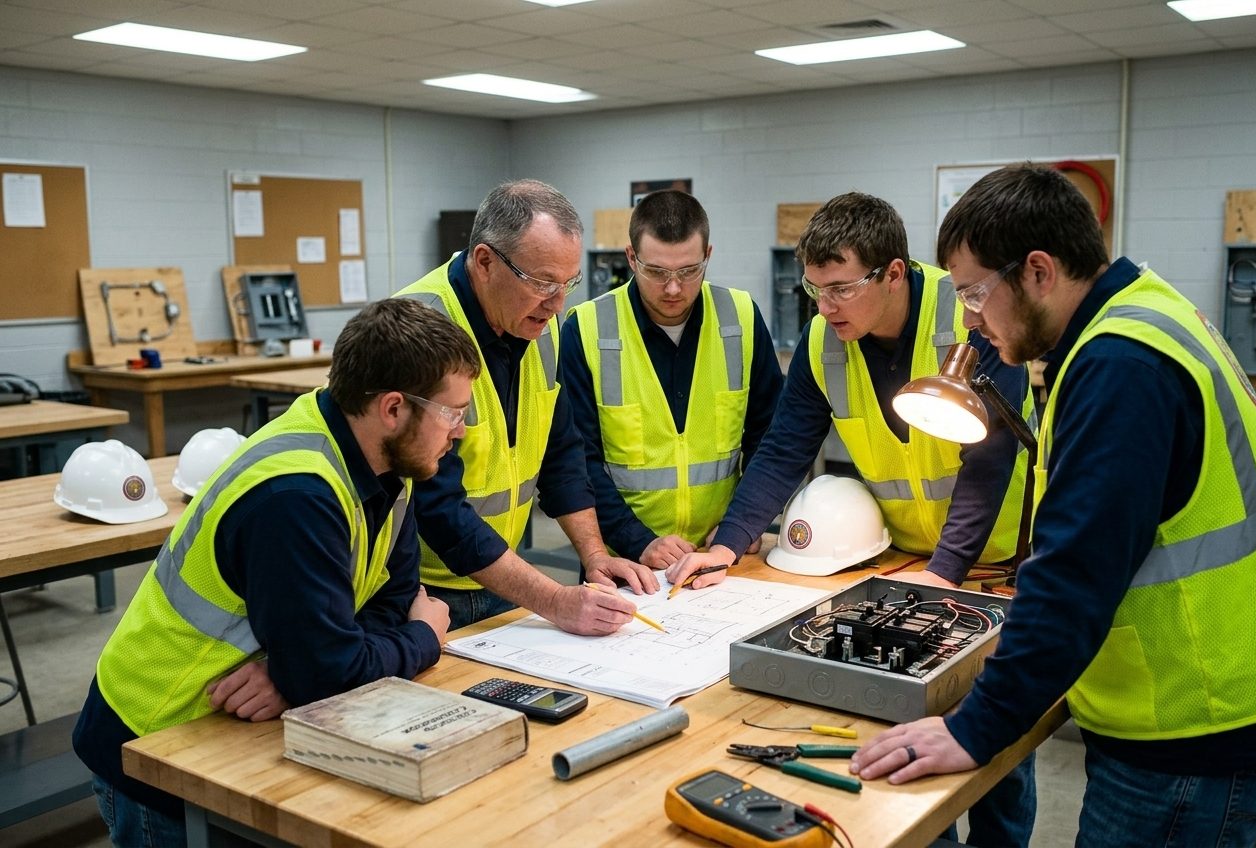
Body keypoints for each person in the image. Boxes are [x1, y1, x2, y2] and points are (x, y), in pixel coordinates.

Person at [851, 163, 1256, 847]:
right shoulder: (1143, 313)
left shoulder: (1120, 366)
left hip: (1191, 730)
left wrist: (973, 727)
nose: (970, 320)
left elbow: (1074, 574)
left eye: (977, 292)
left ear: (1039, 271)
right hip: (1189, 708)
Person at [666, 191, 1038, 847]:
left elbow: (991, 456)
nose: (825, 307)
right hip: (911, 567)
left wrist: (947, 572)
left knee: (998, 754)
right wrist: (728, 544)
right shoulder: (823, 342)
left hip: (997, 570)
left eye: (840, 289)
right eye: (815, 290)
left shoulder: (972, 316)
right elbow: (785, 448)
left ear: (893, 272)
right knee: (916, 748)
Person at [73, 297, 480, 847]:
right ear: (392, 408)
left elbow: (391, 597)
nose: (460, 431)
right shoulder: (297, 496)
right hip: (161, 737)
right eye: (453, 413)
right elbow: (347, 662)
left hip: (237, 728)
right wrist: (422, 637)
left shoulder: (390, 463)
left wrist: (299, 674)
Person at [394, 179, 655, 635]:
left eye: (567, 284)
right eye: (541, 283)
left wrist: (594, 557)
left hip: (500, 579)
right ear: (484, 262)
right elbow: (436, 507)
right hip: (418, 596)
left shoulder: (539, 325)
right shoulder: (420, 331)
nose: (556, 305)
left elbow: (562, 456)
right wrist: (552, 598)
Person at [559, 189, 784, 568]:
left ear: (708, 256)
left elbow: (769, 438)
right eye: (657, 271)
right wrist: (638, 541)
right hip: (625, 564)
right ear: (631, 258)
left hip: (722, 554)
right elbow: (578, 462)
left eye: (689, 270)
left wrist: (741, 524)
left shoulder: (741, 318)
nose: (674, 287)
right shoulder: (587, 329)